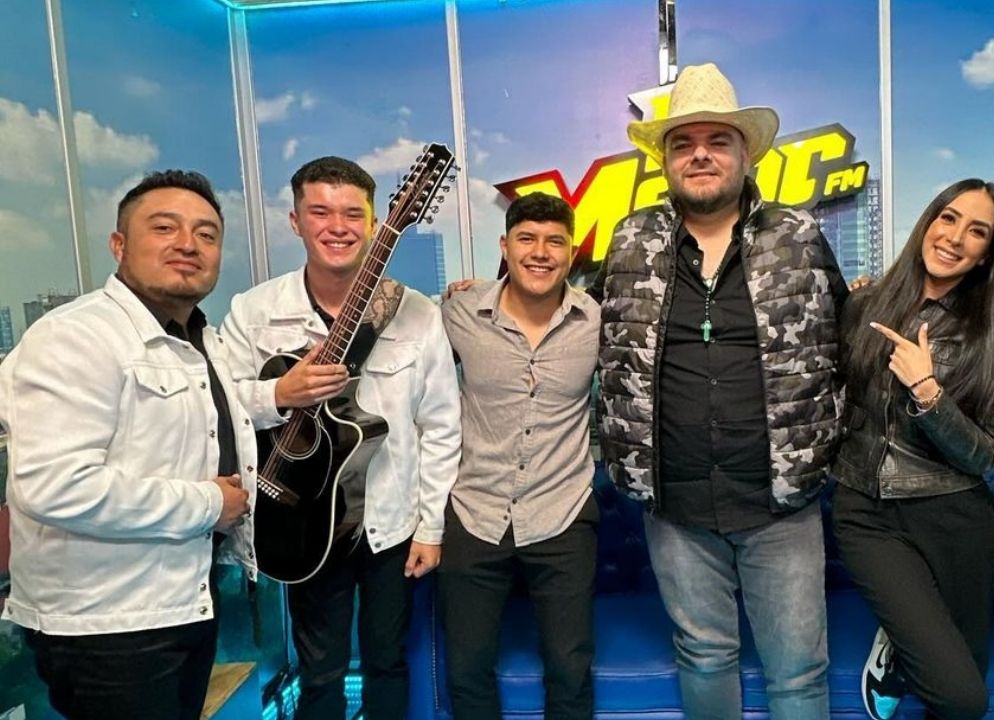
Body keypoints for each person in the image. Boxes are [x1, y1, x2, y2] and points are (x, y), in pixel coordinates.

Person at [590, 63, 848, 719]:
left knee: (798, 674)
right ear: (665, 160)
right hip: (674, 505)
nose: (700, 154)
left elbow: (847, 336)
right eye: (683, 143)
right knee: (704, 656)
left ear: (744, 154)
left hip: (781, 504)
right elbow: (581, 324)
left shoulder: (797, 236)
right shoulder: (630, 240)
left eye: (717, 141)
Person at [0, 170, 254, 720]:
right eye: (164, 227)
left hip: (180, 603)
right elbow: (54, 485)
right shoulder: (76, 336)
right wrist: (211, 503)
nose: (188, 244)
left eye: (206, 234)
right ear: (119, 245)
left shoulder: (196, 338)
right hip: (108, 627)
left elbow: (192, 424)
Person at [220, 156, 461, 720]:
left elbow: (441, 426)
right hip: (303, 521)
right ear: (295, 220)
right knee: (320, 671)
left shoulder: (416, 314)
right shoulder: (255, 313)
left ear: (376, 223)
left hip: (390, 523)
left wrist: (431, 528)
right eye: (320, 212)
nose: (338, 226)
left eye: (353, 214)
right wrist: (278, 393)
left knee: (387, 662)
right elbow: (217, 410)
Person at [832, 179, 994, 720]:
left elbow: (986, 455)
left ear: (987, 255)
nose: (955, 237)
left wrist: (928, 392)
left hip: (956, 516)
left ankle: (902, 644)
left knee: (956, 699)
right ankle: (900, 639)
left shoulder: (993, 331)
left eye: (977, 231)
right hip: (867, 512)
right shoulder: (863, 305)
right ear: (928, 222)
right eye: (948, 218)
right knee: (964, 699)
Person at [439, 192, 599, 719]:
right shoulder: (459, 311)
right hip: (474, 511)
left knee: (570, 669)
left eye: (555, 241)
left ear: (571, 253)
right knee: (467, 670)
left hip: (562, 511)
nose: (541, 252)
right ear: (504, 246)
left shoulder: (596, 321)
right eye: (527, 239)